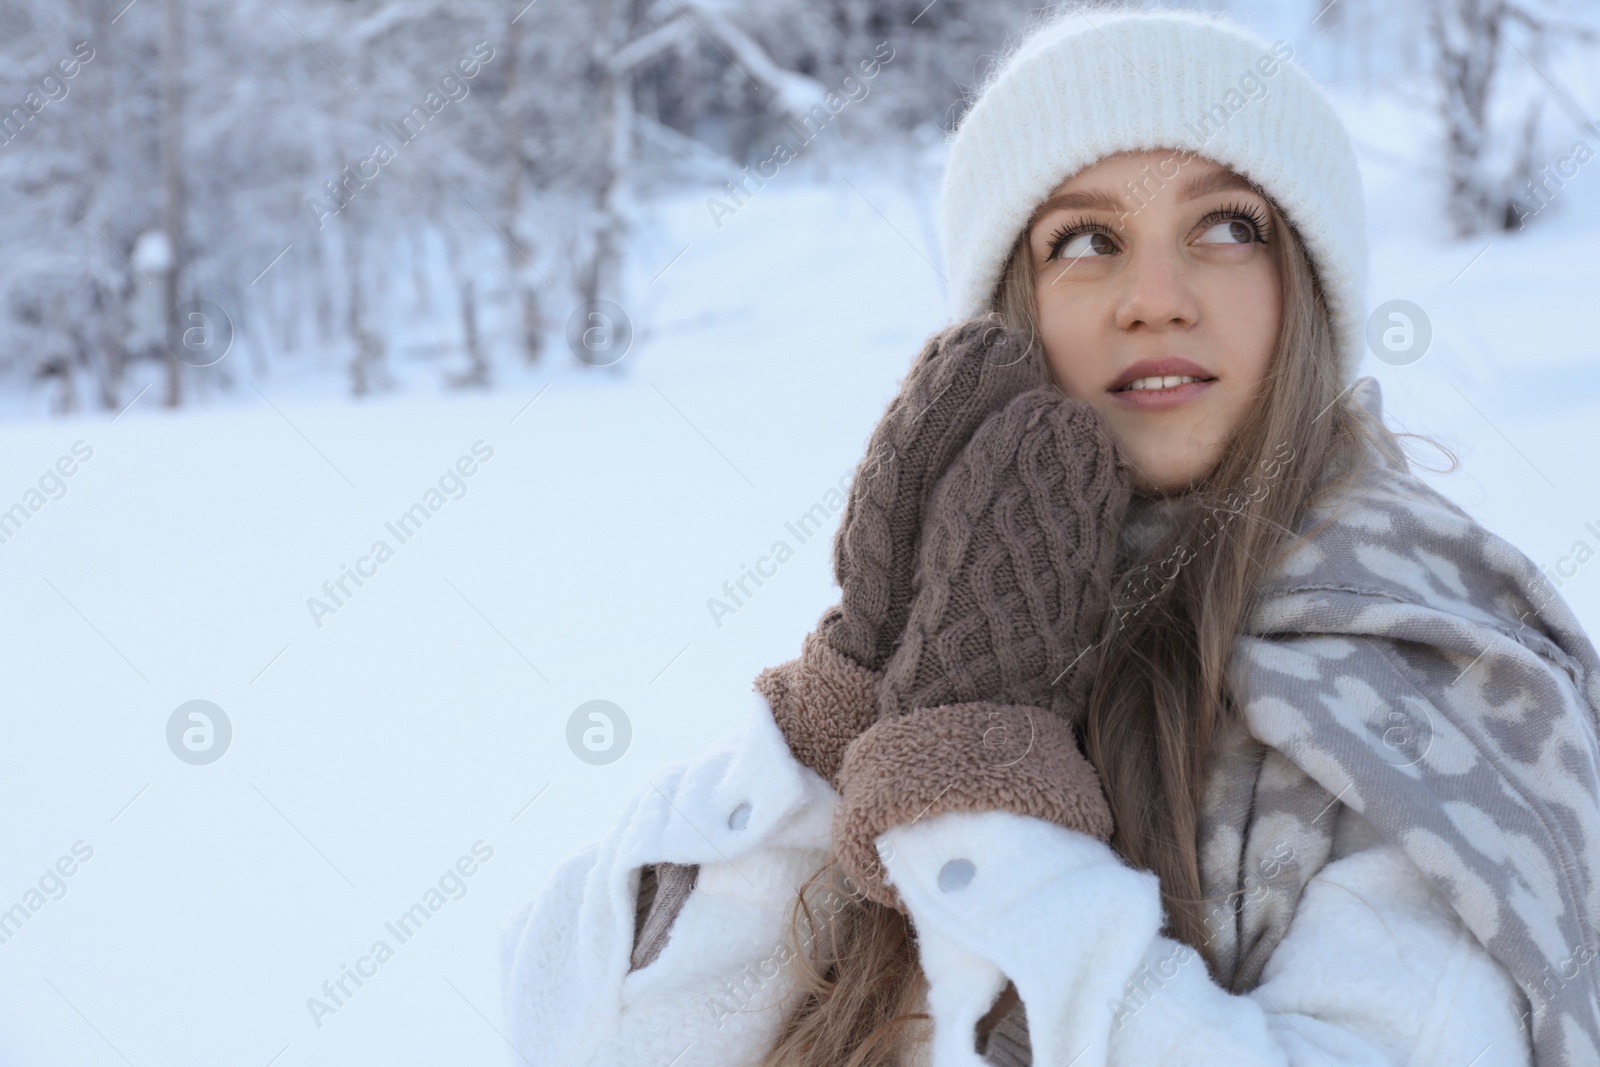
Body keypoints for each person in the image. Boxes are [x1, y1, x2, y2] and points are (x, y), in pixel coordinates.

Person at [500, 9, 1600, 1066]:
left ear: (1304, 286)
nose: (1154, 298)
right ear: (1009, 311)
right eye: (1086, 240)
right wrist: (850, 695)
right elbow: (589, 1033)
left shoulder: (1426, 673)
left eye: (1226, 227)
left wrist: (983, 811)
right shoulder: (958, 624)